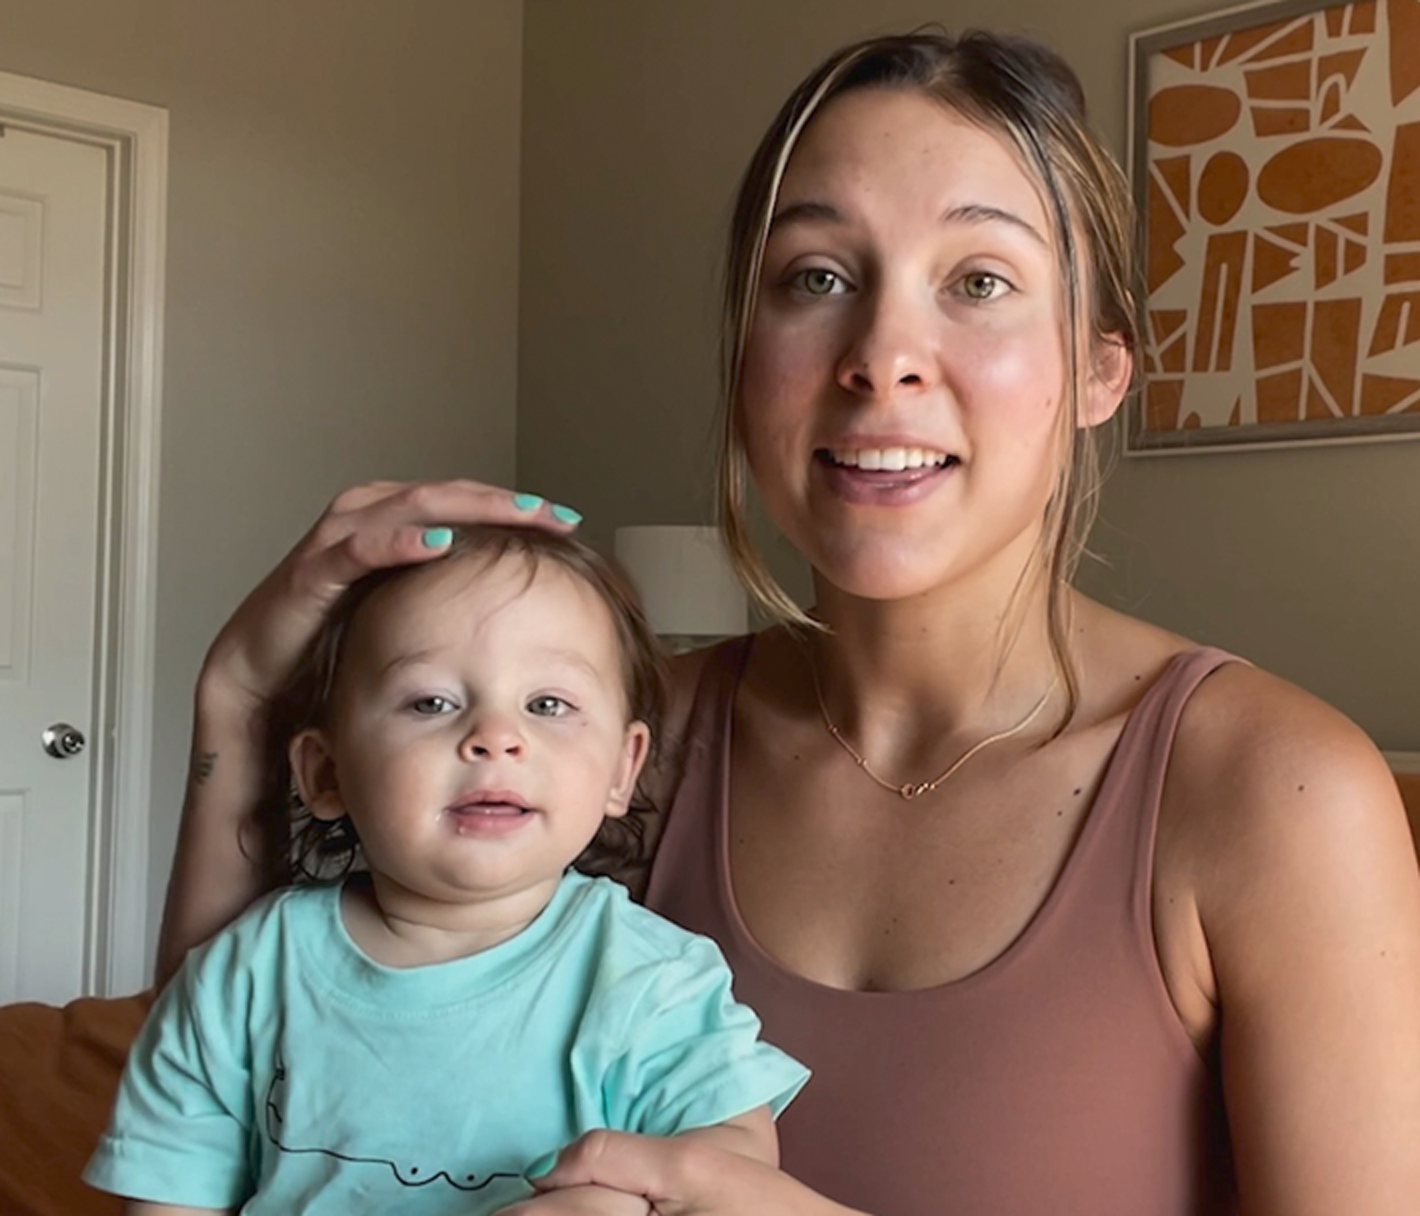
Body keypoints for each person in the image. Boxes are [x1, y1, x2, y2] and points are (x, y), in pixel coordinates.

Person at [155, 28, 1420, 1216]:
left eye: (978, 280)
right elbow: (241, 1070)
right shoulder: (624, 742)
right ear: (745, 351)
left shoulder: (1274, 792)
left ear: (1096, 369)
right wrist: (238, 702)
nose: (881, 354)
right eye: (815, 276)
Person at [86, 527, 808, 1215]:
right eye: (430, 702)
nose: (496, 737)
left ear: (623, 769)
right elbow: (170, 1183)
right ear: (325, 771)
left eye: (548, 704)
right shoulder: (243, 973)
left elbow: (733, 1163)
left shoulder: (651, 981)